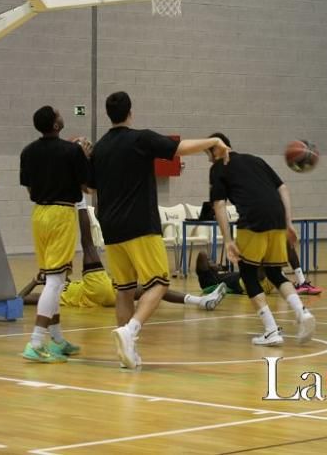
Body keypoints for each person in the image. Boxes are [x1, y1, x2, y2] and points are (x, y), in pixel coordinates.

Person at [88, 91, 229, 369]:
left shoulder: (100, 148)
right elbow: (180, 148)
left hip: (111, 227)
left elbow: (91, 187)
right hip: (140, 224)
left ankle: (126, 353)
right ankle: (130, 331)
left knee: (125, 290)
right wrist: (213, 141)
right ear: (131, 112)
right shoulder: (140, 138)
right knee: (159, 283)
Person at [207, 132, 316, 346]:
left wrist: (228, 239)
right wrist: (288, 222)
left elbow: (219, 205)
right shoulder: (255, 160)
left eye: (208, 153)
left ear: (216, 149)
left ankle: (271, 330)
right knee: (275, 272)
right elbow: (283, 188)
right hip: (276, 218)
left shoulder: (219, 167)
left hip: (253, 221)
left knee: (248, 274)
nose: (208, 158)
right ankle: (302, 313)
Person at [19, 200, 226, 312]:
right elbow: (19, 300)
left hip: (103, 295)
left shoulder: (59, 290)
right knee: (88, 244)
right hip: (96, 289)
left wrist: (36, 281)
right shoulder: (53, 293)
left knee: (153, 288)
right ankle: (81, 201)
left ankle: (200, 301)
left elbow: (25, 299)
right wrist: (34, 281)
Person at [18, 106, 90, 363]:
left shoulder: (28, 151)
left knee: (53, 279)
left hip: (39, 214)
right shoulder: (72, 151)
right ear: (57, 125)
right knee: (55, 281)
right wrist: (85, 156)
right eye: (59, 114)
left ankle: (57, 340)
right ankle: (36, 341)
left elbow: (29, 188)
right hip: (62, 214)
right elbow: (88, 187)